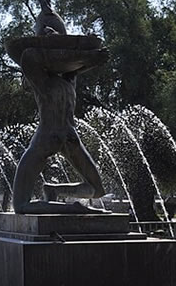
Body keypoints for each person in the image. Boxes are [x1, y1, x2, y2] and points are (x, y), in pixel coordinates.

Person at [11, 43, 108, 213]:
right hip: (69, 135)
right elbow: (76, 67)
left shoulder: (43, 82)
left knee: (20, 206)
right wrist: (91, 58)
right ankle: (66, 202)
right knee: (96, 189)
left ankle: (65, 201)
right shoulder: (68, 82)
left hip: (48, 136)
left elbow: (29, 55)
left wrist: (47, 39)